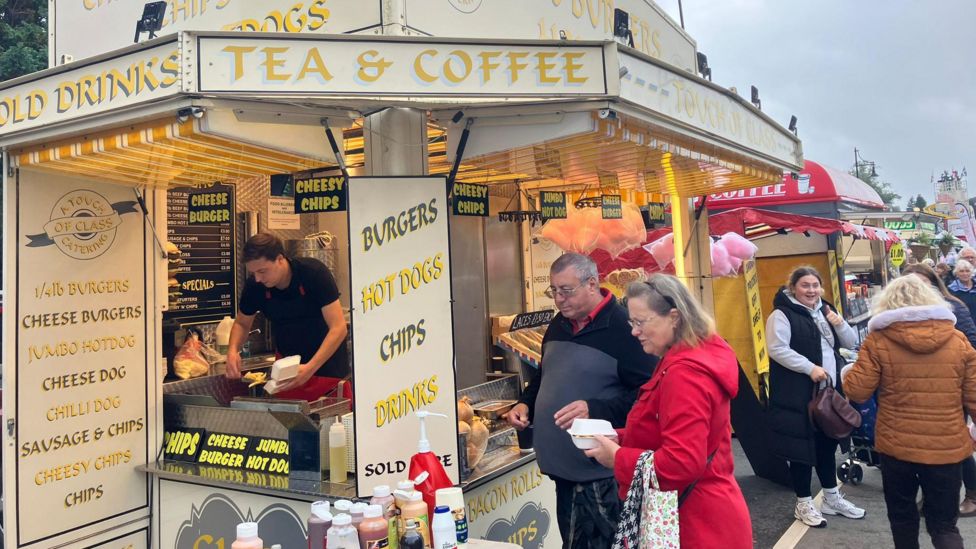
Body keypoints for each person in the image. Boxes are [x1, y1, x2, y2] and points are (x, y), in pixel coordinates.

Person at [583, 275, 752, 548]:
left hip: (694, 524)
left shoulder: (684, 373)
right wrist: (620, 438)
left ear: (674, 317)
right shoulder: (696, 354)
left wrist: (618, 458)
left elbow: (681, 462)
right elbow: (670, 433)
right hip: (703, 514)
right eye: (631, 322)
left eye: (640, 322)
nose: (634, 332)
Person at [505, 253, 655, 549]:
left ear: (591, 284)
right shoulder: (559, 324)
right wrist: (526, 403)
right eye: (554, 291)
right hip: (563, 470)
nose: (559, 299)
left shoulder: (624, 329)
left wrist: (595, 408)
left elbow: (647, 396)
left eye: (566, 290)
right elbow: (544, 374)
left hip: (600, 473)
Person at [843, 275, 976, 549]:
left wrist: (848, 371)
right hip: (947, 448)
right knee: (944, 525)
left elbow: (856, 391)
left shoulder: (878, 340)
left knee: (903, 520)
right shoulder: (958, 340)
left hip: (897, 448)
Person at [765, 265, 865, 527]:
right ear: (793, 288)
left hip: (828, 394)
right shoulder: (781, 314)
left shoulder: (826, 310)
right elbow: (777, 349)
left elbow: (849, 341)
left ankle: (831, 498)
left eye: (814, 285)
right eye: (805, 285)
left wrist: (839, 322)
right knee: (801, 449)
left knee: (827, 445)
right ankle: (803, 503)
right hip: (796, 395)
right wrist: (810, 368)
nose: (811, 290)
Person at [225, 233, 349, 400]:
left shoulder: (313, 273)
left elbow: (338, 327)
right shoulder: (255, 286)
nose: (258, 278)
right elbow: (242, 323)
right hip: (286, 372)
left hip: (327, 370)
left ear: (280, 259)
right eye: (253, 273)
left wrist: (310, 368)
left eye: (262, 271)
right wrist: (233, 350)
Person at [903, 263, 976, 516]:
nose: (917, 288)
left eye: (923, 282)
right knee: (924, 446)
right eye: (911, 283)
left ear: (934, 282)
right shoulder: (903, 311)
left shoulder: (952, 306)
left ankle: (973, 496)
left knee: (955, 442)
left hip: (952, 387)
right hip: (918, 389)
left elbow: (971, 346)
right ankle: (933, 498)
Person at [948, 259, 976, 325]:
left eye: (967, 271)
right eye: (961, 271)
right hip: (963, 325)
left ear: (971, 272)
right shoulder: (951, 289)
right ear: (956, 273)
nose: (965, 273)